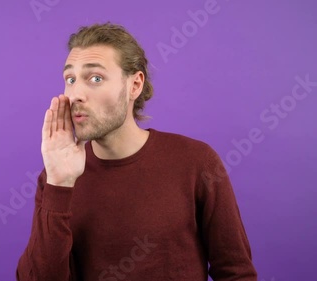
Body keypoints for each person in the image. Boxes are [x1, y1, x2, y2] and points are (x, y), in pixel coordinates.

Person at [16, 22, 257, 281]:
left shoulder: (197, 162)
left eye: (95, 78)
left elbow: (236, 272)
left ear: (135, 85)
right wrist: (59, 185)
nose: (75, 94)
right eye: (70, 79)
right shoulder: (56, 178)